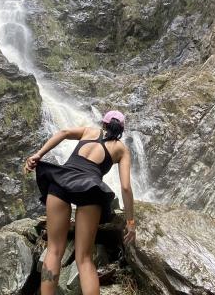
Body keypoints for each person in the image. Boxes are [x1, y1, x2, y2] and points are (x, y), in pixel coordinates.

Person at [24, 110, 135, 295]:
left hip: (61, 181)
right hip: (90, 190)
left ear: (104, 125)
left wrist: (38, 154)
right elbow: (125, 187)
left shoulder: (89, 131)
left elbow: (64, 132)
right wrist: (131, 222)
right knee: (84, 259)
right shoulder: (121, 149)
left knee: (53, 251)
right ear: (121, 129)